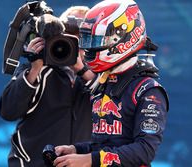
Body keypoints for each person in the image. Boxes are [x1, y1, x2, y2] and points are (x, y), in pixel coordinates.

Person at [53, 0, 169, 167]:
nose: (89, 48)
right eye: (89, 40)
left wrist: (89, 160)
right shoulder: (103, 82)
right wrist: (76, 150)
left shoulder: (148, 90)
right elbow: (104, 145)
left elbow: (145, 151)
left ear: (124, 38)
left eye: (98, 40)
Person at [0, 5, 96, 166]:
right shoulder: (38, 69)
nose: (71, 44)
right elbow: (8, 111)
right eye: (67, 36)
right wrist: (35, 67)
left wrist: (81, 69)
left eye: (80, 38)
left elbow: (110, 99)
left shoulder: (99, 76)